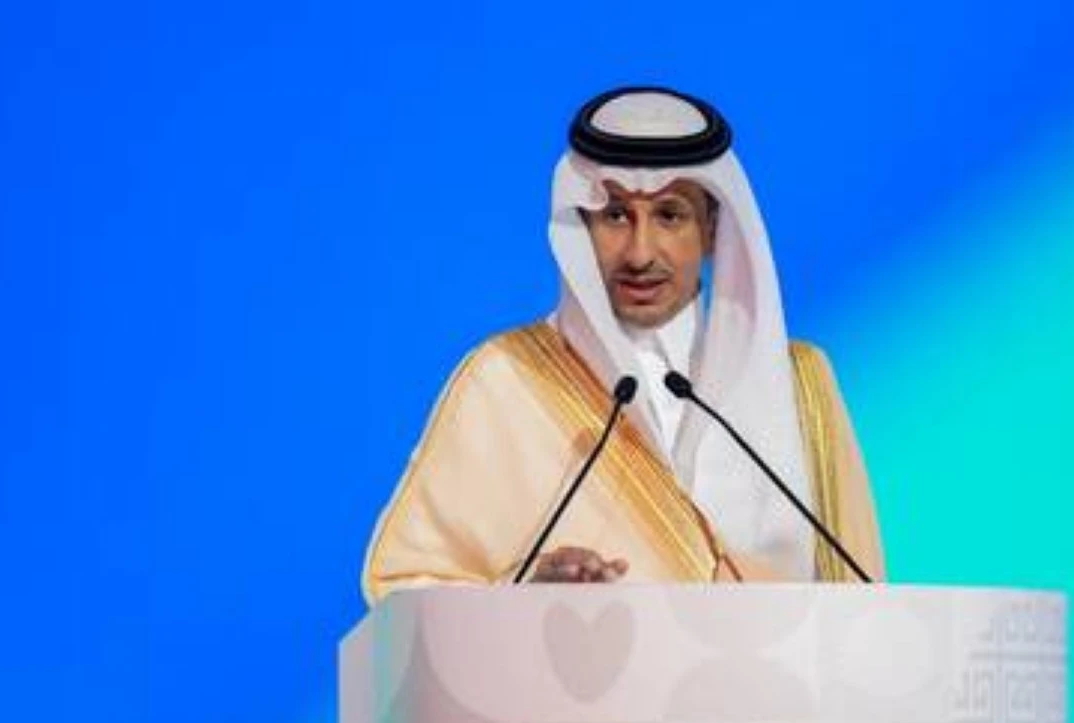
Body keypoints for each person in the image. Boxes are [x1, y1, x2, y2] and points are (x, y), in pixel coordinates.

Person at [362, 86, 884, 603]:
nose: (640, 254)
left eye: (670, 215)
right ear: (580, 226)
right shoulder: (505, 380)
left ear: (711, 230)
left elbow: (865, 603)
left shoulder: (799, 384)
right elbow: (404, 590)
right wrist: (524, 597)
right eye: (615, 216)